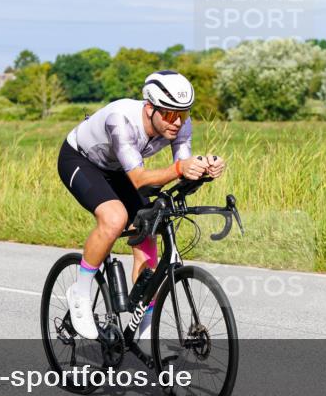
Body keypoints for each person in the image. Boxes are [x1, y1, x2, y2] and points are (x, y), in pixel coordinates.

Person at [56, 70, 226, 339]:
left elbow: (179, 172)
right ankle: (80, 292)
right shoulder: (121, 120)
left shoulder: (181, 124)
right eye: (170, 114)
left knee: (148, 232)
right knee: (114, 218)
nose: (177, 122)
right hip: (81, 161)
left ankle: (144, 326)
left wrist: (203, 170)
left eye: (183, 114)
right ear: (149, 109)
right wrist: (182, 168)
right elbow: (139, 179)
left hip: (120, 169)